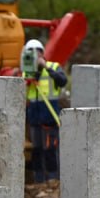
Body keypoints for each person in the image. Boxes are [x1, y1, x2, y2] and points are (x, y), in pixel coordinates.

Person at [19, 39, 67, 183]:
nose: (35, 55)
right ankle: (38, 180)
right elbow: (23, 93)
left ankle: (53, 179)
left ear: (42, 53)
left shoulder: (53, 66)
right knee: (37, 151)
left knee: (50, 150)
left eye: (37, 52)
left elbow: (62, 81)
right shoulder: (27, 74)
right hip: (34, 119)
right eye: (31, 53)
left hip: (49, 117)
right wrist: (31, 73)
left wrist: (45, 67)